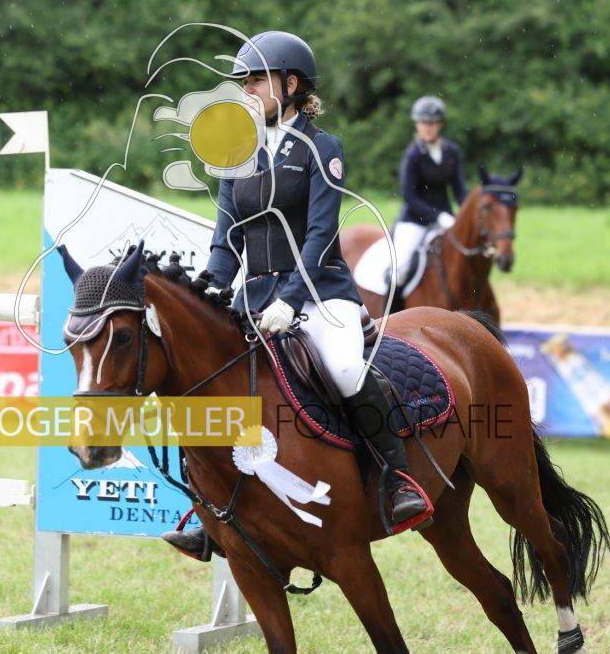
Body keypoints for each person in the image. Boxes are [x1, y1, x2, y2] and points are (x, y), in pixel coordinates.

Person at [162, 31, 430, 559]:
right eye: (243, 82)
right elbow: (226, 241)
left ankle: (396, 478)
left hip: (319, 292)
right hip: (255, 299)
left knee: (345, 370)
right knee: (211, 380)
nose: (246, 91)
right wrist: (208, 291)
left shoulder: (321, 148)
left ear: (290, 85)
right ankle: (207, 507)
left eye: (256, 81)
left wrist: (290, 297)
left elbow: (321, 233)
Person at [391, 95, 467, 289]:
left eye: (432, 123)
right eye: (423, 122)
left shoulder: (452, 151)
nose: (427, 127)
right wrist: (437, 216)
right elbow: (409, 197)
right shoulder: (413, 154)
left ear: (440, 124)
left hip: (446, 220)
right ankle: (392, 305)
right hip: (414, 221)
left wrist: (465, 214)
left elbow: (459, 190)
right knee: (399, 269)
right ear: (417, 124)